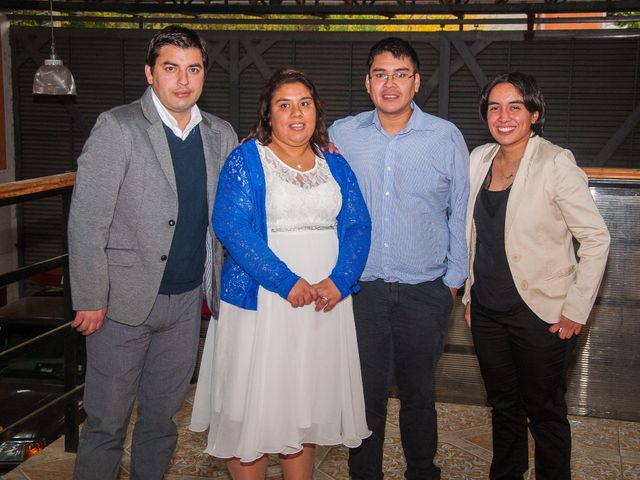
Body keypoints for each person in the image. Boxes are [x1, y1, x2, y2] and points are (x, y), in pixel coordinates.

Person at [67, 26, 237, 480]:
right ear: (150, 73)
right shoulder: (117, 127)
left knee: (161, 422)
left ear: (203, 74)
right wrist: (88, 295)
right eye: (170, 68)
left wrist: (317, 151)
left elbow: (245, 198)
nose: (183, 80)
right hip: (120, 303)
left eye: (193, 68)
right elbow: (87, 219)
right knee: (106, 422)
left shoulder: (220, 134)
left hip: (185, 304)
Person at [189, 68, 372, 479]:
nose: (295, 113)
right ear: (268, 114)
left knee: (301, 407)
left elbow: (359, 224)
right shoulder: (246, 158)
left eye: (304, 103)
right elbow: (231, 226)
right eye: (284, 104)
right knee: (250, 406)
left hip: (322, 304)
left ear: (316, 111)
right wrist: (285, 281)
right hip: (263, 300)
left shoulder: (335, 163)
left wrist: (340, 281)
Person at [328, 37, 469, 480]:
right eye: (381, 74)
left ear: (416, 82)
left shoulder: (445, 137)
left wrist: (452, 283)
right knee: (363, 396)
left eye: (400, 74)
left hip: (425, 292)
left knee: (419, 394)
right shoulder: (341, 135)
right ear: (367, 82)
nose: (390, 84)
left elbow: (459, 213)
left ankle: (422, 472)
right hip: (361, 290)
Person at [462, 72, 610, 480]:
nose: (503, 116)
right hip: (488, 312)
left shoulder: (554, 161)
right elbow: (477, 238)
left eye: (515, 106)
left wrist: (576, 309)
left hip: (542, 313)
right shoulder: (479, 159)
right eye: (494, 107)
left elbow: (596, 239)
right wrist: (471, 296)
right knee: (503, 407)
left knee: (545, 412)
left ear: (534, 113)